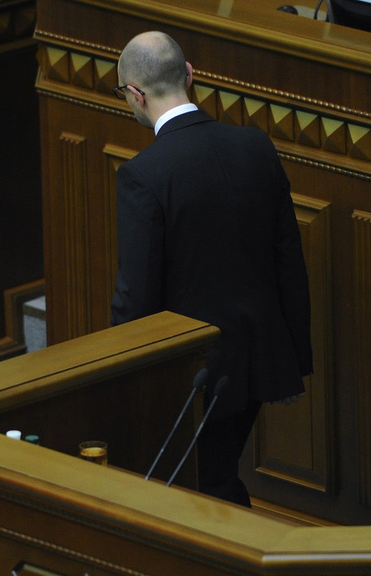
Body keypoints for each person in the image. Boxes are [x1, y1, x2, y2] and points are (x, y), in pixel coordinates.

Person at [110, 31, 313, 507]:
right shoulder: (255, 146)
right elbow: (289, 259)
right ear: (189, 74)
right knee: (216, 476)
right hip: (256, 358)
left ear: (135, 94)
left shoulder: (144, 174)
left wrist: (119, 376)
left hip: (191, 372)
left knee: (202, 488)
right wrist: (293, 362)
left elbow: (136, 293)